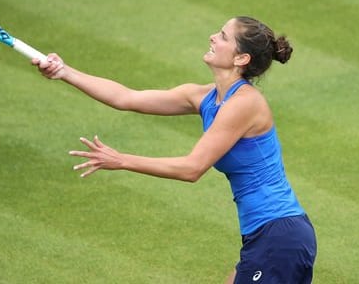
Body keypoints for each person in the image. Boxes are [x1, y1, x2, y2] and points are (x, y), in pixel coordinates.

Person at [32, 16, 317, 283]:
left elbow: (192, 168)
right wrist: (65, 72)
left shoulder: (244, 103)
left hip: (278, 236)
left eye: (222, 36)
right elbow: (126, 97)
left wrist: (122, 160)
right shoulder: (204, 96)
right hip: (269, 236)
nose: (212, 37)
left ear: (241, 58)